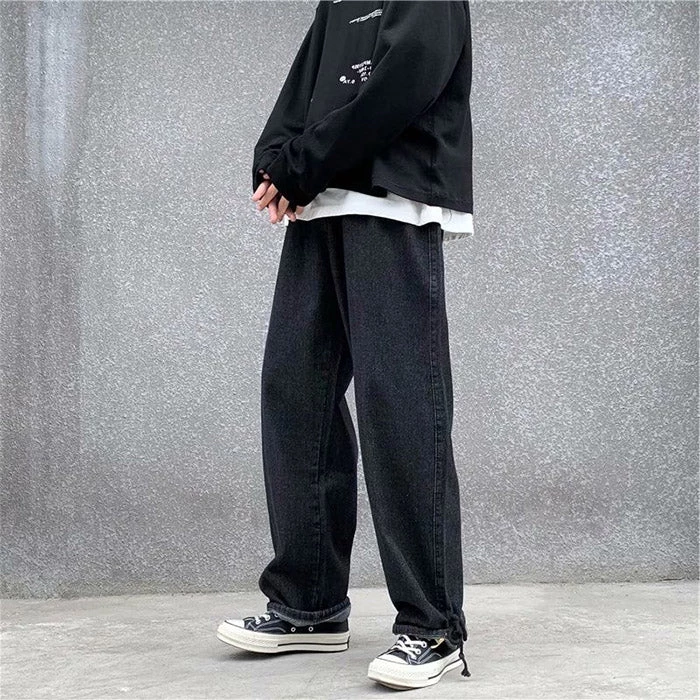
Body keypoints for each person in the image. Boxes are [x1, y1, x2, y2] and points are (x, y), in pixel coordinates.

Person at [217, 0, 474, 690]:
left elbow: (405, 80)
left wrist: (303, 163)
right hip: (322, 201)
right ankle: (309, 605)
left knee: (400, 404)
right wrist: (274, 159)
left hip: (392, 197)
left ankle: (433, 626)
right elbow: (307, 78)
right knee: (295, 393)